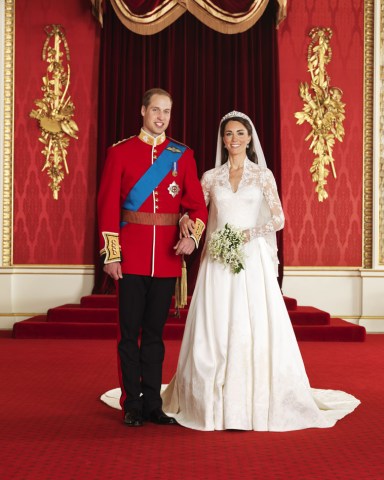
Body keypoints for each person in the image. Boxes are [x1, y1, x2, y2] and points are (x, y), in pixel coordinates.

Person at [159, 111, 360, 431]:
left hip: (251, 260)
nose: (234, 139)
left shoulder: (263, 176)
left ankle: (250, 403)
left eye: (240, 133)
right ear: (222, 140)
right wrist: (185, 219)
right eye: (228, 134)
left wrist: (247, 235)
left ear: (250, 138)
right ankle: (210, 402)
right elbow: (196, 209)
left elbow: (278, 219)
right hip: (217, 261)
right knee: (215, 326)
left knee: (248, 325)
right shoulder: (211, 177)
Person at [97, 88, 208, 427]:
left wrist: (191, 238)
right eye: (156, 110)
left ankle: (153, 405)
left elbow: (197, 206)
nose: (161, 117)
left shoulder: (182, 155)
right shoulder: (120, 152)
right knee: (129, 335)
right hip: (130, 257)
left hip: (166, 260)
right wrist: (111, 255)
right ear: (143, 111)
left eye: (167, 112)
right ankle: (132, 403)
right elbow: (106, 208)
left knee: (156, 335)